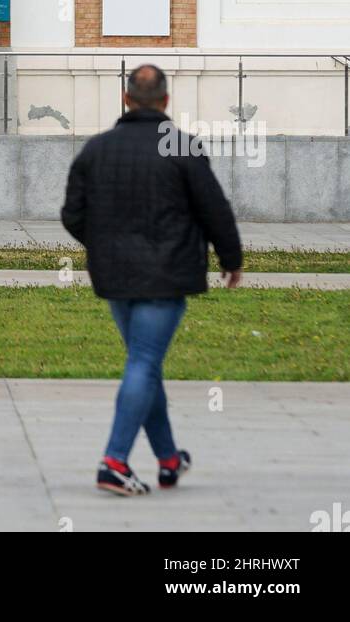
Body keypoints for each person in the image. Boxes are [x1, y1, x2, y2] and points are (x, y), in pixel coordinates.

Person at [61, 63, 243, 496]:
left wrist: (103, 243)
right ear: (165, 101)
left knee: (144, 363)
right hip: (166, 274)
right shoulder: (182, 147)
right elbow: (213, 208)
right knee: (144, 362)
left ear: (126, 99)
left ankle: (167, 459)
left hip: (115, 276)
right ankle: (114, 462)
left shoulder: (97, 149)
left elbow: (72, 214)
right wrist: (231, 257)